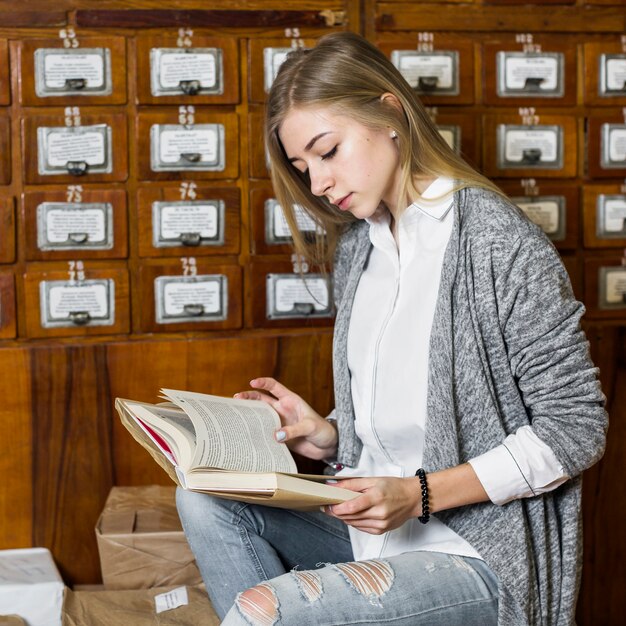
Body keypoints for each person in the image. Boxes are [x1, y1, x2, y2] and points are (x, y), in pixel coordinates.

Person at [176, 32, 608, 625]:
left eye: (328, 151)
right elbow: (403, 425)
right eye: (303, 168)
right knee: (204, 499)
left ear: (389, 111)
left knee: (267, 611)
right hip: (372, 533)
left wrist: (419, 494)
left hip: (474, 551)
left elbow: (577, 429)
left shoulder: (497, 242)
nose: (319, 184)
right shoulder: (361, 249)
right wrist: (328, 437)